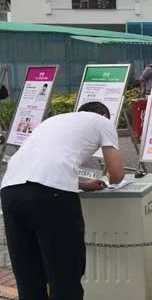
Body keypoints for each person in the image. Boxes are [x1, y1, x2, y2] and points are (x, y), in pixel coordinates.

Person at [1, 101, 125, 300]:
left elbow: (39, 166)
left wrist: (82, 184)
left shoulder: (52, 121)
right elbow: (117, 174)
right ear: (103, 115)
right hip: (51, 196)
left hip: (10, 191)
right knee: (65, 275)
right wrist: (109, 180)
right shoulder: (102, 121)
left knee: (29, 275)